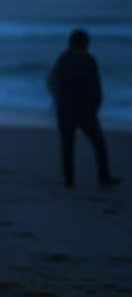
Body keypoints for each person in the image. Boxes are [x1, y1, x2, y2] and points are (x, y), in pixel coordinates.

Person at [48, 29, 119, 188]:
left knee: (67, 145)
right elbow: (95, 86)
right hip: (84, 109)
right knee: (98, 144)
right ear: (85, 43)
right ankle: (103, 177)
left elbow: (51, 80)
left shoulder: (63, 58)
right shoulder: (88, 59)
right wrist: (96, 105)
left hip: (64, 107)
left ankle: (69, 181)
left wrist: (57, 97)